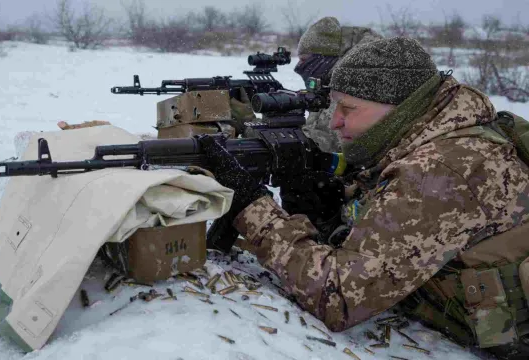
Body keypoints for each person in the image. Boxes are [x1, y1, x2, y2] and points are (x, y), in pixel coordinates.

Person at [198, 36, 529, 359]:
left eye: (348, 108)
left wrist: (252, 206)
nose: (335, 120)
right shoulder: (439, 132)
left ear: (400, 108)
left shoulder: (439, 169)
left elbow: (339, 298)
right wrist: (334, 205)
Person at [230, 16, 383, 153]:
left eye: (304, 60)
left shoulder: (350, 84)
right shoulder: (330, 81)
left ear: (323, 59)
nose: (299, 67)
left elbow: (317, 147)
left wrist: (247, 124)